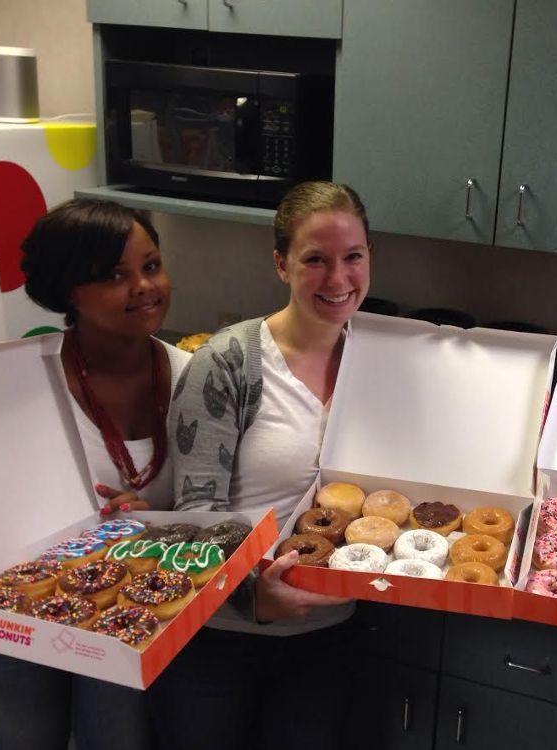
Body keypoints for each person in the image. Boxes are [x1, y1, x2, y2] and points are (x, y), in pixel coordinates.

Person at [0, 198, 190, 750]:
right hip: (15, 624)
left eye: (151, 266)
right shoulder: (17, 383)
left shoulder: (193, 379)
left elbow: (219, 512)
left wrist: (158, 524)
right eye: (113, 275)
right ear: (66, 292)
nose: (143, 287)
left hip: (128, 619)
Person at [145, 181, 370, 749]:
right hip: (220, 636)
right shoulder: (229, 362)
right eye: (315, 259)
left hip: (330, 636)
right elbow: (197, 513)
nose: (339, 279)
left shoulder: (382, 362)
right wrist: (252, 597)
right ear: (281, 264)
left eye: (353, 257)